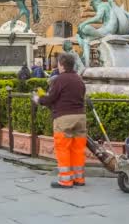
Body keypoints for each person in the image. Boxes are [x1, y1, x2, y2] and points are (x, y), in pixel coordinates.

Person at [33, 53, 87, 188]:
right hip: (80, 117)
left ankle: (66, 180)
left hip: (64, 118)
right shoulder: (79, 79)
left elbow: (51, 98)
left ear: (61, 65)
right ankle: (78, 178)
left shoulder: (59, 80)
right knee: (78, 149)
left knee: (63, 148)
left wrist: (38, 99)